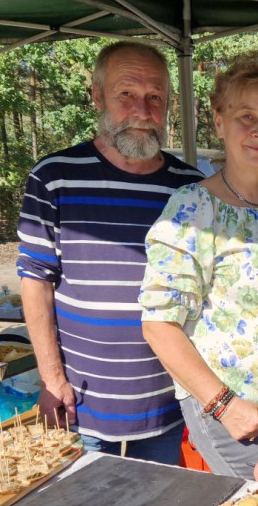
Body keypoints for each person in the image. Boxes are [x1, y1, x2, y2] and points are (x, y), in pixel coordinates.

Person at [140, 52, 258, 480]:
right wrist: (225, 406)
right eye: (247, 116)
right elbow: (159, 325)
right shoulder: (191, 210)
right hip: (238, 417)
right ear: (219, 121)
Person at [17, 41, 202, 464]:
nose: (142, 109)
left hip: (170, 406)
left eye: (155, 97)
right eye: (126, 95)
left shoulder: (191, 189)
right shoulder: (55, 178)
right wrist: (50, 378)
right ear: (97, 97)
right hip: (81, 406)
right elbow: (35, 282)